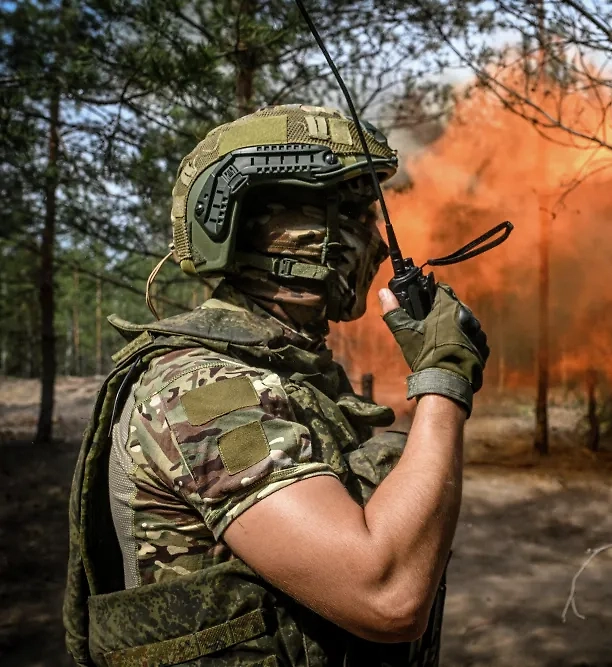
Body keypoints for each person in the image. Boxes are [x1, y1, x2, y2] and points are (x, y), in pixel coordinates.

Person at [63, 104, 489, 667]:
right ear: (279, 232)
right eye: (360, 216)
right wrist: (443, 382)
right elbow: (386, 594)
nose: (380, 245)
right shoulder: (205, 393)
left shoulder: (290, 373)